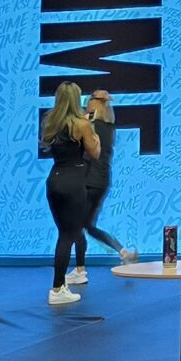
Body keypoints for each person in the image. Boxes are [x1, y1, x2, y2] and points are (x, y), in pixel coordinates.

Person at [43, 83, 101, 308]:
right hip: (73, 182)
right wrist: (92, 131)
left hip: (54, 180)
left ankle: (62, 283)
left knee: (64, 234)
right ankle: (57, 288)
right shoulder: (82, 124)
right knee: (68, 235)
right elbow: (94, 153)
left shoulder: (51, 123)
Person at [68, 85, 131, 287]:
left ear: (93, 105)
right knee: (87, 225)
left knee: (78, 224)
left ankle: (80, 270)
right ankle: (122, 251)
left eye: (88, 103)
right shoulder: (109, 128)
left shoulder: (91, 127)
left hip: (89, 181)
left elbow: (84, 152)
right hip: (102, 181)